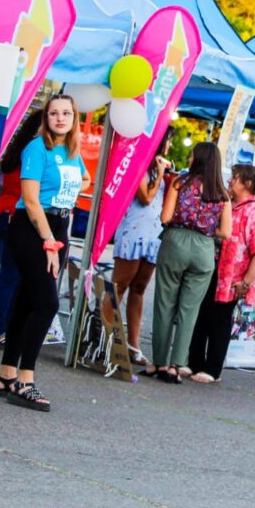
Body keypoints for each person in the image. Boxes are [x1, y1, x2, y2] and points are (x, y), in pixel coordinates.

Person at [0, 95, 86, 411]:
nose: (60, 118)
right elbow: (31, 200)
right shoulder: (37, 149)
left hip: (58, 226)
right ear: (45, 118)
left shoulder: (72, 152)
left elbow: (82, 179)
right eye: (54, 113)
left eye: (66, 113)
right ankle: (25, 380)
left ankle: (6, 375)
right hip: (32, 228)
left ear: (74, 118)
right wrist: (49, 242)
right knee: (47, 303)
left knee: (26, 300)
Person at [144, 142, 232, 384]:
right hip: (204, 250)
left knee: (165, 304)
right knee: (189, 311)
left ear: (198, 159)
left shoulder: (179, 183)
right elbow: (226, 232)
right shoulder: (223, 194)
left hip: (175, 243)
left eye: (192, 154)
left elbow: (165, 217)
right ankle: (176, 366)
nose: (190, 157)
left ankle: (159, 362)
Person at [188, 164, 255, 384]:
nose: (230, 181)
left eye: (235, 178)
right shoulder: (228, 205)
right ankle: (193, 362)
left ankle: (212, 368)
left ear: (248, 184)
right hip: (213, 269)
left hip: (232, 278)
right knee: (201, 315)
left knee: (220, 320)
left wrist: (245, 282)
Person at [105, 128, 173, 365]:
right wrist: (161, 172)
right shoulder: (138, 164)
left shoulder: (159, 170)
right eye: (169, 142)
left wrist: (165, 174)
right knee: (119, 285)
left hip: (154, 234)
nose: (169, 148)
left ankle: (134, 345)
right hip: (134, 231)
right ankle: (105, 338)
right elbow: (145, 197)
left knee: (139, 288)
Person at [0, 108, 42, 347]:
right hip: (14, 216)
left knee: (10, 275)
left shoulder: (19, 148)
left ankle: (0, 328)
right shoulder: (33, 151)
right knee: (11, 276)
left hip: (3, 213)